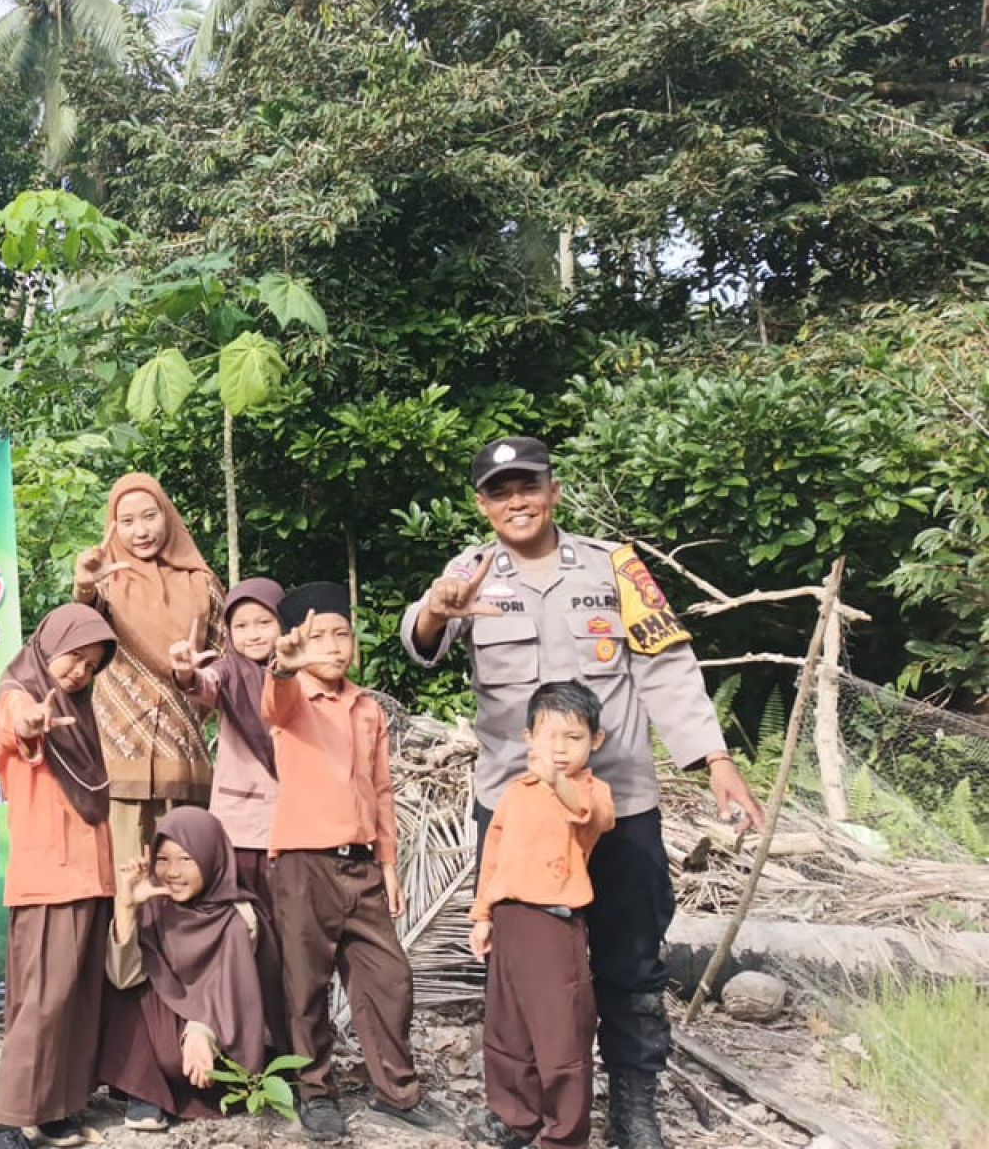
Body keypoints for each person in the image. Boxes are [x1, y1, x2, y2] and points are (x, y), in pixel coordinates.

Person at [400, 436, 766, 1149]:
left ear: (553, 490)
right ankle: (521, 1110)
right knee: (517, 971)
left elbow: (666, 664)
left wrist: (715, 758)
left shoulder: (614, 567)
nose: (516, 502)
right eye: (500, 492)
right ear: (483, 504)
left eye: (527, 486)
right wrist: (439, 610)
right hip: (517, 811)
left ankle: (634, 1105)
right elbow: (420, 641)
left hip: (617, 805)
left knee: (631, 959)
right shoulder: (469, 573)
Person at [263, 583, 457, 1142]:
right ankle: (315, 1092)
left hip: (363, 866)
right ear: (296, 643)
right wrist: (283, 667)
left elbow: (382, 789)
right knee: (306, 986)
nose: (332, 646)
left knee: (389, 978)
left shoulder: (367, 706)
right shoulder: (293, 697)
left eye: (342, 634)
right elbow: (274, 705)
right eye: (318, 636)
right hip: (303, 864)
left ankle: (396, 1092)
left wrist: (389, 865)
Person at [0, 604, 119, 1149]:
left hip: (91, 874)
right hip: (51, 878)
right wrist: (28, 725)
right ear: (48, 645)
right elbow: (17, 723)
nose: (80, 672)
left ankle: (57, 1106)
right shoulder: (20, 691)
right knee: (42, 1002)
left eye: (92, 665)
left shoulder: (79, 714)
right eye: (74, 657)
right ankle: (6, 1122)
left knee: (77, 1001)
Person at [465, 681, 618, 1149]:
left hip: (554, 925)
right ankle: (515, 1118)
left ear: (596, 741)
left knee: (561, 1032)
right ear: (529, 737)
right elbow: (493, 857)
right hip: (510, 921)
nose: (560, 749)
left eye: (573, 738)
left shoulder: (592, 792)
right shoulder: (516, 793)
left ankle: (564, 1134)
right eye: (549, 736)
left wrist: (557, 782)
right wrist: (483, 915)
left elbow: (595, 818)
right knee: (507, 1028)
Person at [73, 473, 224, 872]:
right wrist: (85, 586)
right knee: (127, 883)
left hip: (184, 754)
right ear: (113, 526)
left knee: (186, 877)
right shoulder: (106, 583)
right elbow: (79, 639)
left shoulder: (202, 583)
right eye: (127, 521)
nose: (140, 531)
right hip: (119, 756)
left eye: (149, 516)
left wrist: (192, 681)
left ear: (167, 516)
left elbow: (224, 667)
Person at [99, 807, 278, 1132]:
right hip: (167, 1037)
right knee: (126, 988)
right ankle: (145, 1089)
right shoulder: (155, 905)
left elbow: (231, 991)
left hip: (219, 1044)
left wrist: (201, 1031)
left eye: (186, 859)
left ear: (211, 858)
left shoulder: (238, 917)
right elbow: (123, 980)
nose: (173, 872)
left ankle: (166, 1085)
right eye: (163, 859)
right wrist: (126, 906)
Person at [166, 577, 285, 914]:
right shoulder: (228, 671)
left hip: (291, 825)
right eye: (241, 626)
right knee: (245, 919)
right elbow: (205, 683)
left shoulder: (300, 674)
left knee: (288, 920)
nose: (253, 634)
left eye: (264, 622)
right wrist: (186, 674)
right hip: (241, 827)